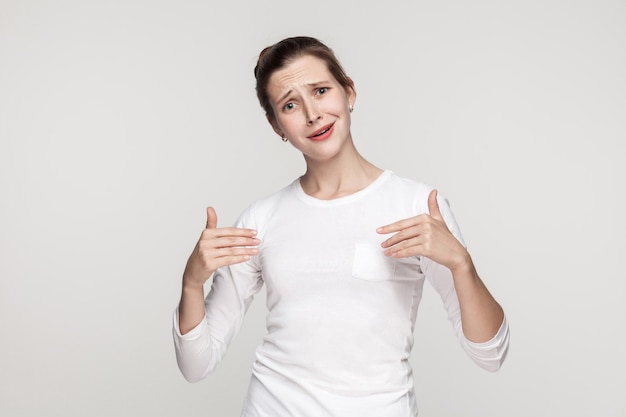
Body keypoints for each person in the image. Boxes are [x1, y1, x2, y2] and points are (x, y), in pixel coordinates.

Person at [173, 36, 509, 416]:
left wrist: (462, 265)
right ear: (276, 125)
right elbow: (195, 365)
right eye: (290, 104)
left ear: (348, 92)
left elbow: (491, 354)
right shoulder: (260, 220)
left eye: (320, 90)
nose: (313, 114)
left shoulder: (416, 206)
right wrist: (192, 283)